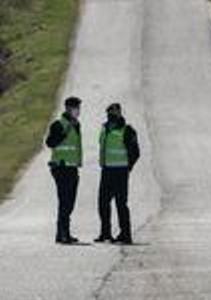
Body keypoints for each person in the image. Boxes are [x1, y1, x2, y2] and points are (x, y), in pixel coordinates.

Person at [94, 102, 140, 244]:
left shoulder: (127, 130)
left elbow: (135, 152)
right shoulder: (104, 128)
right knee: (103, 203)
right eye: (109, 113)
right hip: (106, 171)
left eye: (114, 113)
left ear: (120, 113)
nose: (111, 116)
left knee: (121, 203)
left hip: (120, 172)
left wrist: (128, 167)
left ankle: (125, 234)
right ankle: (105, 233)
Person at [44, 96, 83, 244]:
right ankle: (62, 234)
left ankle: (64, 233)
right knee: (65, 201)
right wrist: (66, 129)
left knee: (70, 202)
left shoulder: (77, 125)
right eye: (76, 108)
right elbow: (50, 143)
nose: (78, 111)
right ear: (68, 108)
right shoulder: (58, 124)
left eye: (79, 108)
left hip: (72, 167)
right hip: (60, 167)